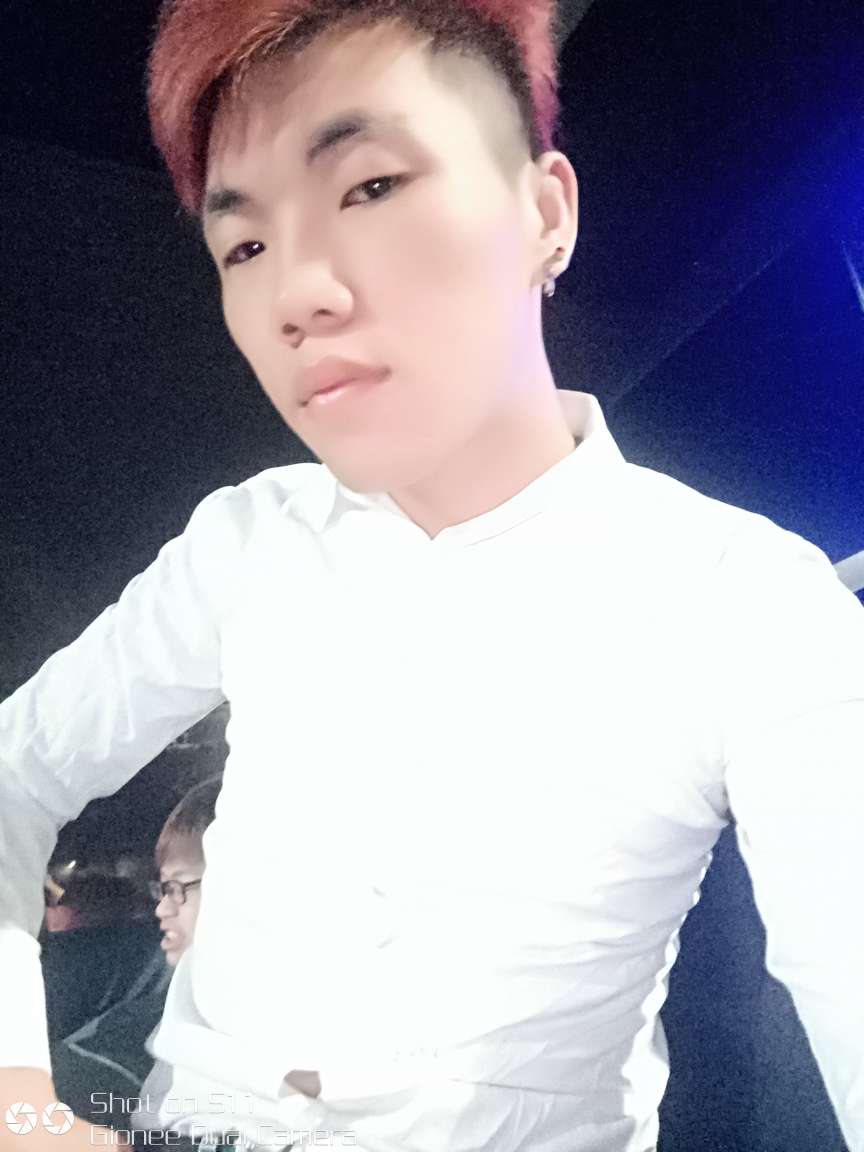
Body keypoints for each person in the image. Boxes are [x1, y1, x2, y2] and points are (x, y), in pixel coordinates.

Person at [1, 1, 862, 1150]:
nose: (298, 291)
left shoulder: (743, 600)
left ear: (544, 213)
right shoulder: (251, 541)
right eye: (245, 245)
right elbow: (15, 772)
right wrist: (20, 1101)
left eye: (371, 187)